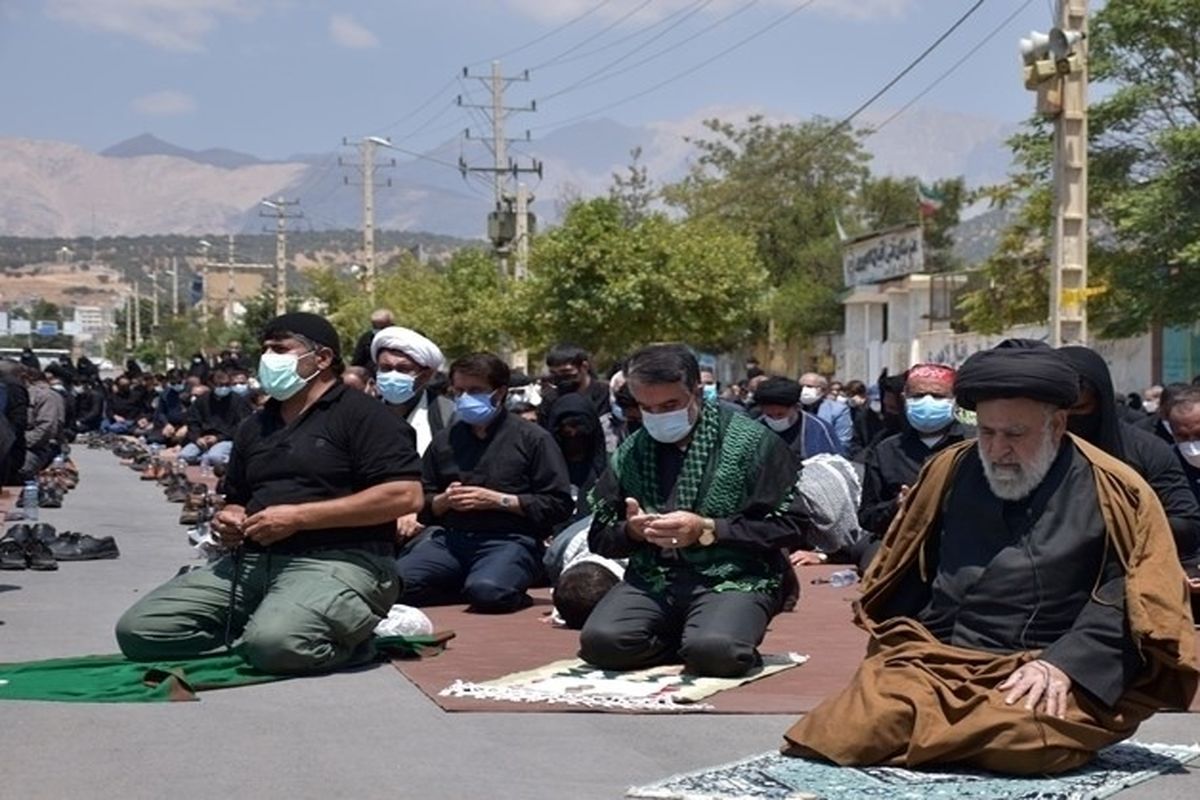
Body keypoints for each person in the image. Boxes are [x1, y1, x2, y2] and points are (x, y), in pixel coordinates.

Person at [782, 343, 1198, 774]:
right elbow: (905, 560)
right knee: (837, 732)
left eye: (1014, 435)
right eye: (987, 432)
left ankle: (948, 735)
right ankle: (943, 730)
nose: (998, 449)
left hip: (1043, 658)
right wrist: (900, 647)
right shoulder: (949, 468)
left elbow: (1133, 590)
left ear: (1057, 424)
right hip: (939, 655)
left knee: (1027, 741)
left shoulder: (1115, 487)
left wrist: (1065, 664)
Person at [116, 312, 424, 674]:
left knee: (274, 646)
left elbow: (405, 495)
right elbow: (237, 496)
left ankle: (355, 642)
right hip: (252, 562)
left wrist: (300, 517)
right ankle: (278, 617)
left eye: (280, 349)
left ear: (322, 359)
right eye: (264, 349)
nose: (268, 359)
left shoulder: (364, 416)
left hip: (339, 561)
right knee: (139, 631)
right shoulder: (255, 425)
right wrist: (229, 517)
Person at [579, 344, 807, 678]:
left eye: (670, 405)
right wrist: (633, 531)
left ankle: (709, 638)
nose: (657, 416)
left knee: (717, 653)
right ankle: (687, 637)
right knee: (601, 643)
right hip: (655, 578)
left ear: (696, 392)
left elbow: (795, 527)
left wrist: (707, 528)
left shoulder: (752, 442)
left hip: (736, 576)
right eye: (647, 407)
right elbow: (600, 537)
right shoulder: (631, 452)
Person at [395, 352, 574, 613]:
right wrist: (442, 502)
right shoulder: (446, 440)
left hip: (509, 539)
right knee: (394, 584)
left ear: (499, 392)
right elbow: (422, 496)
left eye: (475, 390)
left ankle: (501, 580)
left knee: (489, 592)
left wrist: (499, 501)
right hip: (451, 541)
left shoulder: (532, 439)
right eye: (459, 391)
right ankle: (463, 585)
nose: (465, 398)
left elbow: (558, 504)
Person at [1059, 346, 1200, 568]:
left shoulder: (1146, 450)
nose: (1066, 420)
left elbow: (1186, 525)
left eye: (1079, 409)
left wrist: (1117, 525)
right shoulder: (1029, 452)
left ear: (1101, 403)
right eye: (1058, 410)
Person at [858, 364, 971, 539]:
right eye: (918, 396)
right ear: (904, 398)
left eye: (937, 396)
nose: (927, 402)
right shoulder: (886, 451)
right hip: (902, 544)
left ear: (955, 400)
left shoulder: (973, 446)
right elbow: (867, 517)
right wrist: (898, 505)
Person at [370, 326, 452, 456]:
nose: (393, 376)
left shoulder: (447, 414)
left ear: (425, 375)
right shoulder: (363, 412)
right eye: (386, 368)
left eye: (403, 369)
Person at [751, 377, 840, 466]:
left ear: (797, 407)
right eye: (769, 415)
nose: (775, 420)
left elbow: (833, 464)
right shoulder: (754, 430)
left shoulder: (819, 429)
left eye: (780, 415)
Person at [547, 393, 608, 517]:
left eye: (578, 427)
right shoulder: (543, 468)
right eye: (567, 430)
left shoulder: (609, 468)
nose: (573, 434)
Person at [181, 369, 254, 468]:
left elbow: (242, 425)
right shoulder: (202, 400)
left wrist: (218, 438)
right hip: (203, 439)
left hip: (227, 439)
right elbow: (193, 421)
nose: (223, 388)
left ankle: (213, 459)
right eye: (220, 385)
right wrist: (197, 437)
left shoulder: (238, 401)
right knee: (185, 455)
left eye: (227, 385)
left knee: (216, 457)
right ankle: (205, 457)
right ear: (211, 385)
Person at [539, 343, 611, 425]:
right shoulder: (550, 400)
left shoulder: (607, 394)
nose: (560, 377)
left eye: (566, 371)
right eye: (554, 373)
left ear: (584, 367)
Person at [798, 372, 851, 455]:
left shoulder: (838, 410)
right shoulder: (794, 408)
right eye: (801, 386)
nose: (804, 390)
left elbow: (843, 441)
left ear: (823, 389)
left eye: (809, 386)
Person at [843, 379, 882, 460]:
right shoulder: (852, 410)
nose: (851, 398)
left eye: (853, 395)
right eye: (848, 395)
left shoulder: (871, 411)